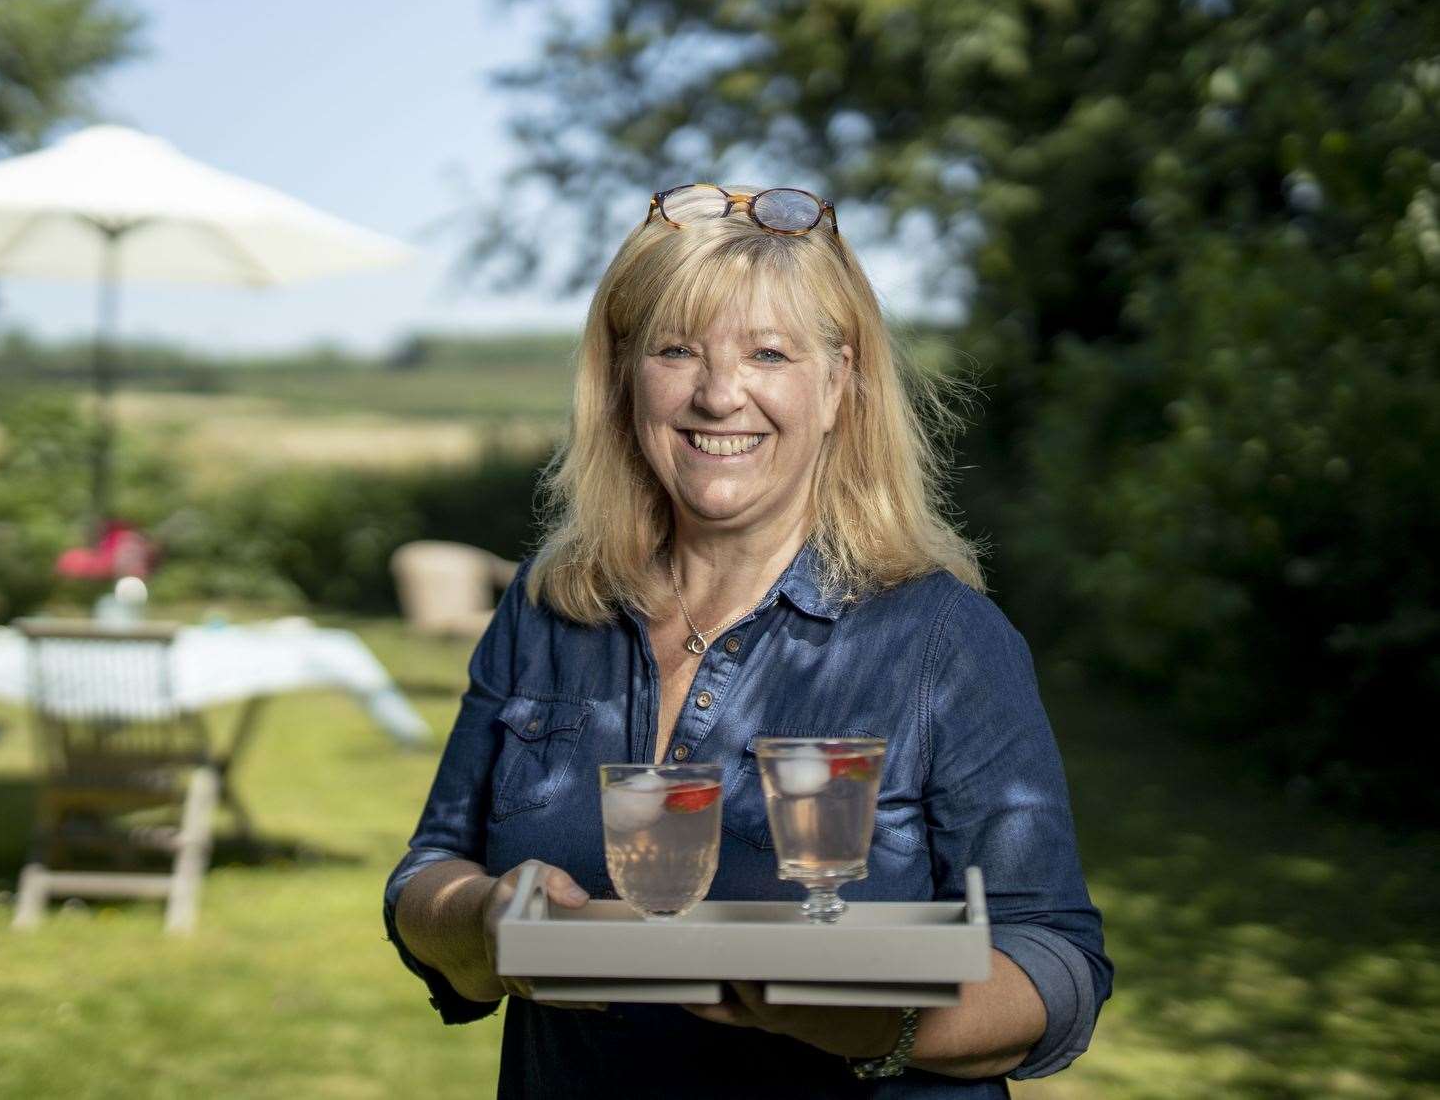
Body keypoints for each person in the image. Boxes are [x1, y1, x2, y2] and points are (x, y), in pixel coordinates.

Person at [382, 183, 1112, 1097]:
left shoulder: (941, 638)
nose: (720, 395)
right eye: (677, 350)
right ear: (622, 378)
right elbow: (427, 874)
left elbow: (1056, 964)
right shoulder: (548, 607)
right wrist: (484, 919)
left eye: (769, 352)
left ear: (840, 382)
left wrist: (869, 1021)